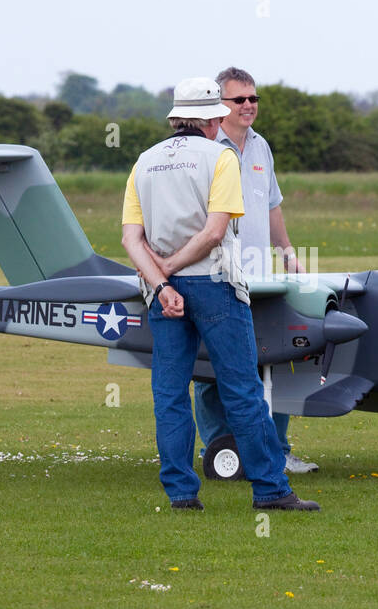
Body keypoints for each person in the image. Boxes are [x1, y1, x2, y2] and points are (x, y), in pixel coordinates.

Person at [121, 75, 319, 512]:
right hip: (214, 284)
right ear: (212, 120)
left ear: (177, 118)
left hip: (161, 294)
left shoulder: (144, 161)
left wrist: (161, 282)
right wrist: (173, 270)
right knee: (242, 388)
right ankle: (270, 489)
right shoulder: (221, 157)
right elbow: (214, 232)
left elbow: (131, 240)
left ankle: (181, 494)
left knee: (169, 393)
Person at [192, 66, 318, 474]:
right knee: (210, 366)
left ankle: (277, 449)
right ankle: (221, 449)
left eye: (253, 99)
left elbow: (271, 205)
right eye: (239, 99)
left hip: (262, 278)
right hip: (213, 272)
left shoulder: (261, 147)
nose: (248, 106)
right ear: (219, 105)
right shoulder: (206, 147)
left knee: (277, 360)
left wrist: (287, 253)